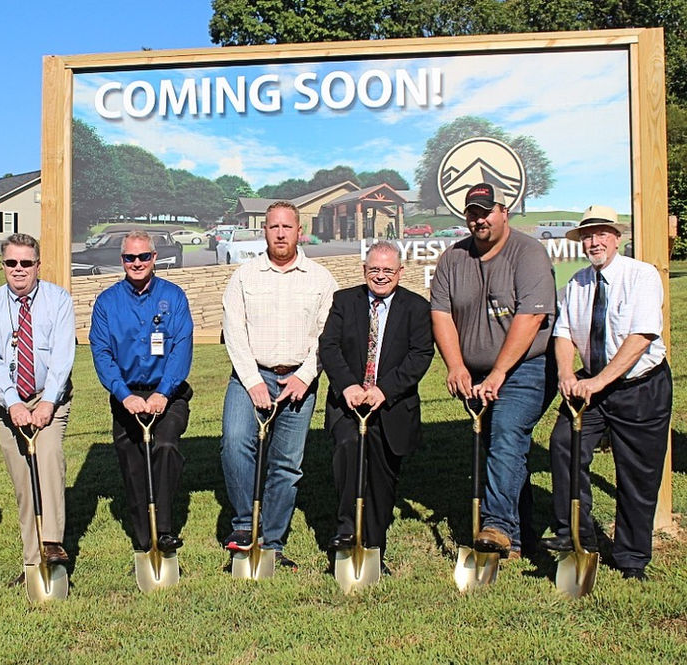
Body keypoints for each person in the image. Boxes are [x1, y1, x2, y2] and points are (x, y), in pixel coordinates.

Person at [541, 205, 672, 581]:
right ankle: (576, 537)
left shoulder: (642, 276)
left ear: (617, 238)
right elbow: (563, 334)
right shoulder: (577, 283)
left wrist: (599, 382)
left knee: (638, 474)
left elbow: (641, 337)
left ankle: (631, 559)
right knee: (564, 444)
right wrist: (567, 372)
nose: (594, 241)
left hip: (639, 387)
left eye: (602, 234)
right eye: (588, 236)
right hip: (590, 384)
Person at [430, 183, 556, 559]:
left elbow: (531, 316)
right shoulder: (453, 259)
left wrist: (499, 373)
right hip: (476, 372)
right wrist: (455, 365)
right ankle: (518, 539)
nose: (479, 219)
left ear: (504, 212)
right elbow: (440, 313)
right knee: (502, 451)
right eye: (472, 212)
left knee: (505, 435)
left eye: (486, 211)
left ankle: (498, 524)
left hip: (527, 367)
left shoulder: (528, 252)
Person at [220, 201, 338, 569]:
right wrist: (253, 381)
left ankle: (272, 540)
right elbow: (234, 331)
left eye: (288, 227)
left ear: (299, 231)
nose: (281, 234)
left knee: (286, 463)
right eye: (274, 227)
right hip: (250, 374)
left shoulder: (320, 279)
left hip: (299, 379)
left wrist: (306, 374)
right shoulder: (245, 276)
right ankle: (243, 528)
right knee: (235, 444)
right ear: (264, 231)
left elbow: (327, 335)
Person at [319, 241, 433, 571]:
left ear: (400, 272)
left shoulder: (415, 307)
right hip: (349, 403)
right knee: (349, 451)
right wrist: (348, 386)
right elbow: (329, 346)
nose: (380, 276)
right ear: (364, 270)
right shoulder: (344, 301)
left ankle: (373, 546)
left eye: (387, 270)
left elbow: (420, 355)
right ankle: (346, 532)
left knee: (382, 479)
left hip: (391, 406)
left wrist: (385, 389)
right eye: (374, 270)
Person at [89, 230, 193, 554]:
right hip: (127, 395)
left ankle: (163, 530)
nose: (137, 263)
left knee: (164, 446)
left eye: (143, 256)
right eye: (130, 258)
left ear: (154, 257)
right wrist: (124, 394)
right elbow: (102, 352)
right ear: (122, 260)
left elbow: (181, 348)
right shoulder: (107, 302)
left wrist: (163, 393)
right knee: (132, 461)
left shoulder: (173, 297)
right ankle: (143, 537)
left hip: (169, 393)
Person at [0, 233, 75, 579]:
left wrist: (47, 401)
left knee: (47, 460)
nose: (18, 270)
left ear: (38, 265)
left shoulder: (58, 300)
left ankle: (52, 546)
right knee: (23, 481)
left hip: (51, 397)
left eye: (26, 263)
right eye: (11, 263)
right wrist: (14, 404)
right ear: (3, 265)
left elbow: (63, 357)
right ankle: (32, 562)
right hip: (10, 403)